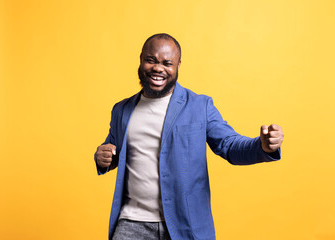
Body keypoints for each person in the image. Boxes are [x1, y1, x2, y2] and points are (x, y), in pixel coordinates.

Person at [94, 33, 284, 240]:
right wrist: (103, 157)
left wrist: (263, 146)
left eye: (167, 63)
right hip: (132, 222)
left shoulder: (199, 106)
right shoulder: (121, 110)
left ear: (177, 66)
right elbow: (112, 150)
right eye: (151, 60)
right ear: (141, 60)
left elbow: (229, 146)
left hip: (184, 225)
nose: (158, 68)